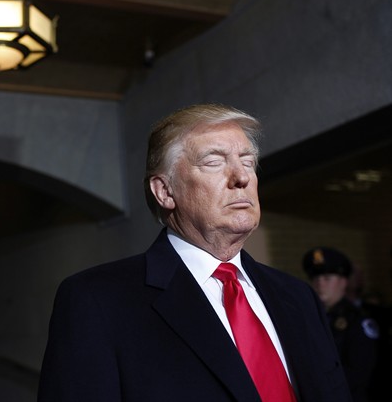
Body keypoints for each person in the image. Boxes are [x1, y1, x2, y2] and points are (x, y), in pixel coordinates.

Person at [38, 104, 351, 401]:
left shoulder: (298, 296)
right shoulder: (97, 301)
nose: (241, 177)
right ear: (165, 191)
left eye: (247, 161)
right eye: (214, 162)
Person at [302, 246, 379, 402]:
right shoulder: (308, 317)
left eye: (327, 278)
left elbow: (359, 374)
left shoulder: (358, 321)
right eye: (316, 279)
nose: (320, 284)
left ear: (343, 282)